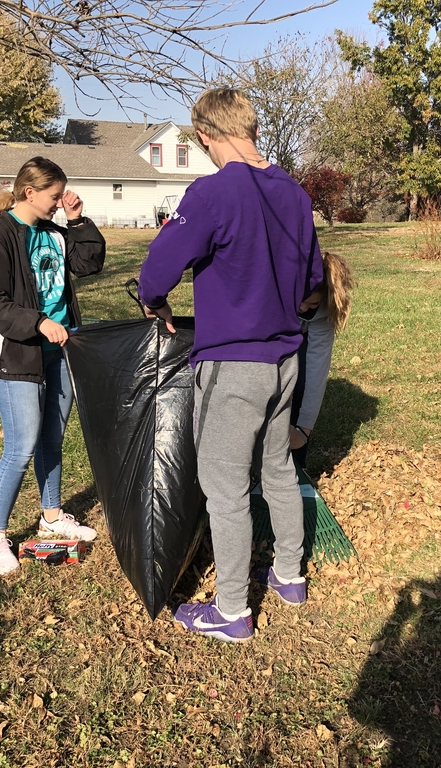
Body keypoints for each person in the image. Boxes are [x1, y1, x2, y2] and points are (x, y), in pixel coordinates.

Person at [138, 88, 323, 643]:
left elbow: (158, 267)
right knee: (277, 470)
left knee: (224, 488)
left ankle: (232, 611)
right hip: (285, 359)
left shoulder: (212, 192)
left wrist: (155, 298)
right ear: (253, 129)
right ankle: (290, 577)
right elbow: (313, 282)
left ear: (205, 136)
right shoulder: (293, 193)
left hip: (232, 362)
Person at [0, 156, 107, 575]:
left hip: (60, 351)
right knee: (21, 447)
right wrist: (38, 322)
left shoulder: (54, 232)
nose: (57, 203)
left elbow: (88, 265)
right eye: (53, 197)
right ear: (29, 192)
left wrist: (79, 221)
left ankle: (51, 515)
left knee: (52, 437)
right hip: (15, 355)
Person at [289, 251, 355, 469]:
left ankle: (297, 464)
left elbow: (316, 369)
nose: (303, 309)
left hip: (305, 337)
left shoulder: (324, 312)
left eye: (312, 304)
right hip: (274, 329)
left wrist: (303, 431)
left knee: (300, 380)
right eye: (301, 301)